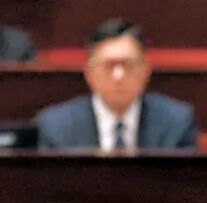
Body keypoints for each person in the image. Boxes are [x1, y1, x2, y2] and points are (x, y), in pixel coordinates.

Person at [34, 18, 197, 150]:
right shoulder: (56, 126)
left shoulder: (177, 122)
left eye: (128, 64)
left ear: (146, 70)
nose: (119, 75)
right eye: (108, 66)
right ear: (89, 72)